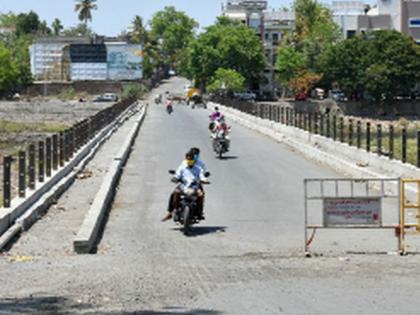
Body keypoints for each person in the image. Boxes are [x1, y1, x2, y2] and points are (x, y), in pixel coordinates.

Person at [162, 151, 208, 222]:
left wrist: (205, 180)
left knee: (201, 195)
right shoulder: (182, 167)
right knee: (176, 192)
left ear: (194, 160)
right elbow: (177, 175)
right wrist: (175, 178)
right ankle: (176, 209)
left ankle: (199, 212)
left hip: (194, 186)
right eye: (188, 160)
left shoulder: (198, 169)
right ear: (186, 159)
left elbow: (202, 176)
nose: (189, 161)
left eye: (191, 160)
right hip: (183, 185)